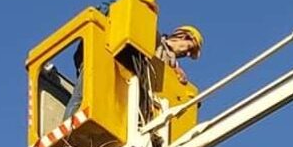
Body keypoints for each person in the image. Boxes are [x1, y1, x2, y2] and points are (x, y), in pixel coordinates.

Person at [62, 24, 204, 119]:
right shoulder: (152, 37)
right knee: (83, 94)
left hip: (135, 99)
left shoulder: (173, 68)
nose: (187, 54)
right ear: (183, 36)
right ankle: (67, 128)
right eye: (189, 48)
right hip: (111, 68)